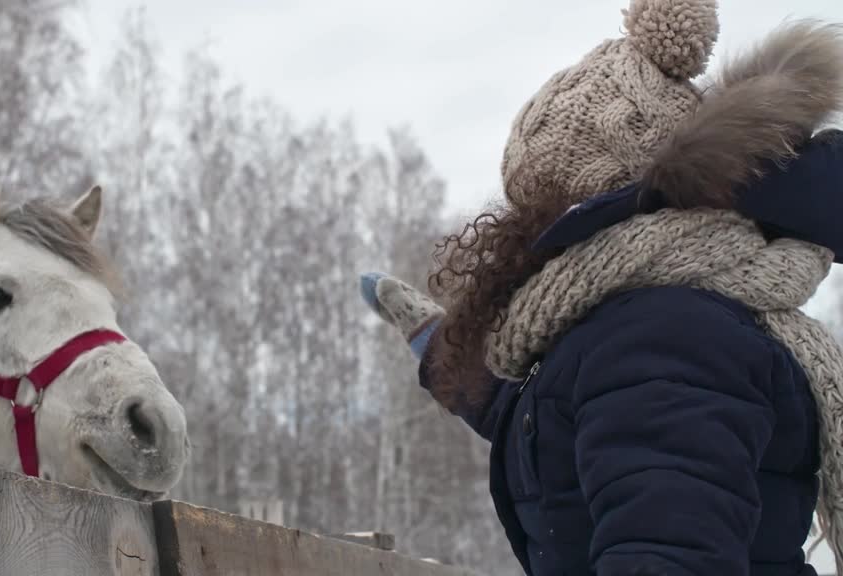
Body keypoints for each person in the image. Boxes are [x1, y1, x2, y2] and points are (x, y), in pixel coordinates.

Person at [361, 1, 843, 574]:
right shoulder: (655, 325)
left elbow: (666, 548)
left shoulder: (662, 337)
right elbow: (584, 431)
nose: (522, 235)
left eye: (532, 205)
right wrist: (450, 359)